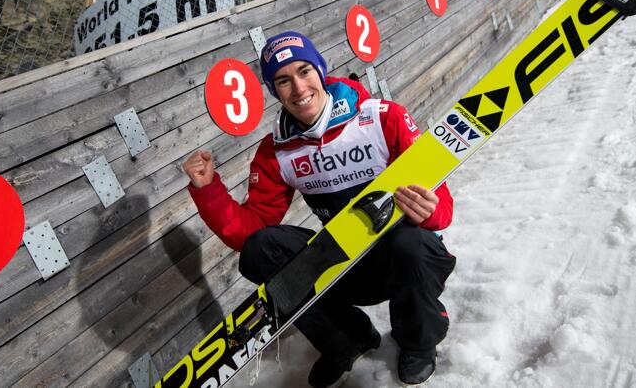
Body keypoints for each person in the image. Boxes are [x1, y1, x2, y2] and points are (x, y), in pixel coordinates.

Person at [183, 31, 456, 387]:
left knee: (411, 244)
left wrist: (429, 210)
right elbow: (250, 231)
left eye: (304, 72)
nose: (298, 89)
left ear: (321, 72)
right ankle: (345, 340)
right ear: (274, 91)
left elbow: (443, 206)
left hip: (404, 260)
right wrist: (209, 191)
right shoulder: (277, 151)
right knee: (260, 249)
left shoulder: (381, 118)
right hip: (345, 265)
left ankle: (418, 342)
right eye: (283, 80)